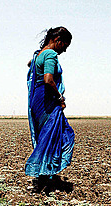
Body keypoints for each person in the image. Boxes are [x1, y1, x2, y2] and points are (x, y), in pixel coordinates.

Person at [25, 27, 75, 183]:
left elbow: (30, 65)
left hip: (36, 100)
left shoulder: (38, 54)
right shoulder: (50, 54)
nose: (64, 51)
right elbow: (48, 79)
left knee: (45, 135)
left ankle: (45, 174)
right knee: (64, 134)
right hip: (46, 100)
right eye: (65, 46)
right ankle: (45, 172)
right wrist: (59, 97)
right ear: (58, 40)